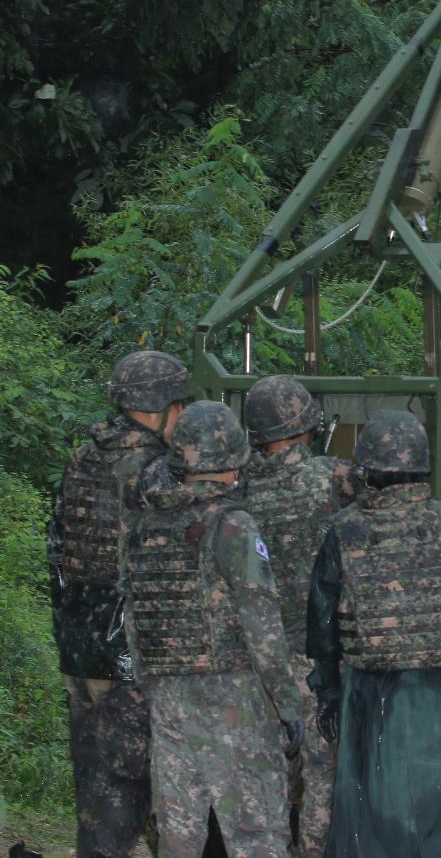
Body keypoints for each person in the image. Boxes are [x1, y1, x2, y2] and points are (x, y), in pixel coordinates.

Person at [307, 409, 441, 858]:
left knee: (372, 821)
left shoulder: (345, 530)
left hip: (370, 695)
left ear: (367, 470)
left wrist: (327, 692)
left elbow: (322, 624)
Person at [121, 399, 305, 858]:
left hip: (168, 699)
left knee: (179, 837)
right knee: (256, 835)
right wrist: (287, 705)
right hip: (232, 699)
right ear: (236, 457)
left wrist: (150, 688)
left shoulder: (145, 524)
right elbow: (261, 624)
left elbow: (131, 619)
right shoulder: (232, 525)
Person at [47, 349, 193, 858]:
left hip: (80, 644)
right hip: (132, 653)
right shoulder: (155, 472)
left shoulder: (83, 458)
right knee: (135, 793)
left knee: (97, 788)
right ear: (163, 408)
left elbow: (58, 547)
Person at [243, 375, 357, 857]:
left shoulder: (239, 490)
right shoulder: (333, 479)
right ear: (307, 423)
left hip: (256, 659)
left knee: (262, 773)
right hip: (316, 659)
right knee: (322, 773)